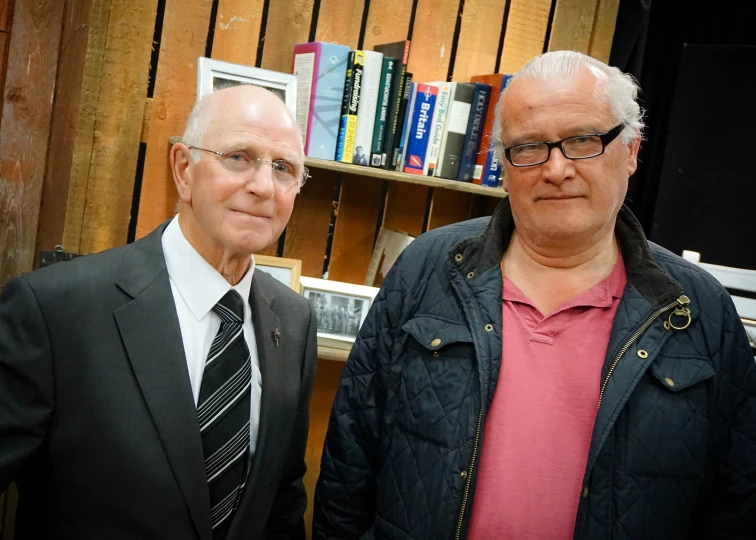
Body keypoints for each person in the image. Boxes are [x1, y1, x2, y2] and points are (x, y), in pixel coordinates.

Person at [313, 51, 756, 540]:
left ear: (631, 149)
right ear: (503, 163)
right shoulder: (426, 269)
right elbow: (349, 459)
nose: (556, 169)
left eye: (583, 141)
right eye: (529, 147)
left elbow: (736, 500)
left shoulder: (698, 308)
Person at [0, 85, 318, 539]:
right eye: (239, 157)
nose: (263, 186)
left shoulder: (294, 321)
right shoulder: (55, 310)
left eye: (283, 168)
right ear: (184, 170)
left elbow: (281, 499)